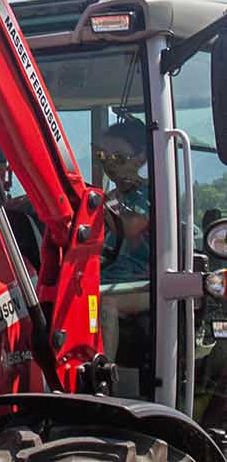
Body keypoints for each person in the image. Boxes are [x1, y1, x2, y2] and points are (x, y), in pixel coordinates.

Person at [97, 116, 151, 365]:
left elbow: (130, 226)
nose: (109, 164)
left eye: (117, 157)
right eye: (103, 156)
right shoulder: (109, 198)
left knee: (104, 305)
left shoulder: (151, 194)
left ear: (140, 157)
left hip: (145, 284)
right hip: (106, 281)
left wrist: (99, 205)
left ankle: (102, 378)